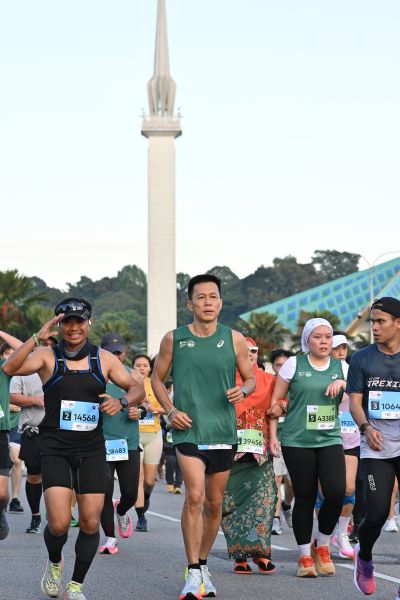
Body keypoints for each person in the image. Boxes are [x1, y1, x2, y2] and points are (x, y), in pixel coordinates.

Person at [3, 298, 145, 600]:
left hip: (92, 448)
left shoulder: (103, 359)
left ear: (88, 323)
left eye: (79, 321)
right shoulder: (46, 355)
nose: (73, 327)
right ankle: (55, 562)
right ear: (59, 325)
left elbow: (137, 388)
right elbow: (10, 367)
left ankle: (76, 585)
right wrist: (37, 337)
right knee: (58, 524)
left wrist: (120, 401)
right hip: (54, 447)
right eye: (66, 322)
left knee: (91, 522)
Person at [151, 274, 256, 600]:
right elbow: (156, 379)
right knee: (194, 496)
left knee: (214, 503)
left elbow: (250, 379)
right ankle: (193, 571)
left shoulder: (234, 339)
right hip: (188, 429)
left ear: (220, 303)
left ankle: (203, 563)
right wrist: (170, 411)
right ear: (190, 303)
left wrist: (243, 390)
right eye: (201, 297)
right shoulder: (174, 339)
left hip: (223, 431)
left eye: (213, 297)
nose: (207, 302)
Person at [269, 318, 347, 578]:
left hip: (330, 439)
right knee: (305, 496)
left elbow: (359, 394)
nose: (324, 341)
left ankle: (322, 545)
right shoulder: (294, 364)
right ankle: (304, 556)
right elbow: (277, 401)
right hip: (297, 440)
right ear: (307, 340)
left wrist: (344, 384)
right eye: (317, 337)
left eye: (328, 337)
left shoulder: (341, 367)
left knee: (336, 492)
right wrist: (273, 434)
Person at [348, 297, 400, 599]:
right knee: (377, 514)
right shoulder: (362, 358)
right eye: (372, 321)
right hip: (375, 447)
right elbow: (354, 403)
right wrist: (366, 428)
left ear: (398, 323)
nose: (375, 327)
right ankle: (364, 555)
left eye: (381, 321)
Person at [221, 337, 277, 575]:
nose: (249, 354)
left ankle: (261, 552)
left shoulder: (269, 380)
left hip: (259, 449)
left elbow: (279, 404)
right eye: (243, 350)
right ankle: (239, 556)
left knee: (265, 497)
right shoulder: (223, 379)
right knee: (231, 503)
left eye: (252, 350)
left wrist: (274, 434)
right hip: (228, 447)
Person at [98, 333, 146, 555]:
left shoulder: (134, 375)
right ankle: (110, 538)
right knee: (104, 491)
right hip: (101, 442)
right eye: (110, 352)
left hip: (128, 442)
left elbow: (145, 404)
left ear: (125, 352)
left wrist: (140, 411)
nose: (115, 356)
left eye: (118, 352)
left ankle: (122, 509)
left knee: (130, 494)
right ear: (102, 352)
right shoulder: (96, 376)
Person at [9, 336, 58, 534]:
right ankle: (36, 515)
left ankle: (58, 516)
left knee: (57, 477)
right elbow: (12, 397)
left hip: (59, 432)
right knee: (34, 476)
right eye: (44, 344)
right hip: (33, 431)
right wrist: (36, 400)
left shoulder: (62, 369)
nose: (47, 348)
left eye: (51, 345)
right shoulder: (24, 370)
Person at [328, 333, 360, 559]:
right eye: (336, 348)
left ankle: (341, 535)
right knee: (325, 493)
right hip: (324, 436)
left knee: (349, 489)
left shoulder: (352, 370)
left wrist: (344, 384)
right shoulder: (317, 369)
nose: (340, 352)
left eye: (343, 348)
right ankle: (322, 537)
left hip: (349, 436)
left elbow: (362, 391)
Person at [132, 353, 165, 532]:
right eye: (138, 365)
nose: (141, 368)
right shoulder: (127, 383)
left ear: (150, 368)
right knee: (139, 476)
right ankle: (141, 516)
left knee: (150, 481)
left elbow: (168, 408)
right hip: (134, 435)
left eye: (145, 365)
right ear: (132, 367)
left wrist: (154, 409)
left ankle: (145, 497)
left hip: (154, 435)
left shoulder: (156, 384)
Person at [0, 333, 23, 540]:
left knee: (1, 494)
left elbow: (26, 350)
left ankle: (1, 511)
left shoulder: (4, 368)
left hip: (1, 432)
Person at [269, 348, 294, 535]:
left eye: (285, 365)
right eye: (278, 365)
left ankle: (286, 505)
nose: (282, 368)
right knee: (276, 478)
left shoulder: (298, 385)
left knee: (292, 482)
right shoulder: (270, 384)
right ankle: (275, 518)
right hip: (276, 438)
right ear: (273, 367)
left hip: (295, 438)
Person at [163, 380, 183, 494]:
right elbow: (165, 414)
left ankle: (178, 484)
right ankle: (170, 482)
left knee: (181, 460)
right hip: (170, 431)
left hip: (185, 432)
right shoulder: (168, 398)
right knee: (170, 460)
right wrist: (169, 424)